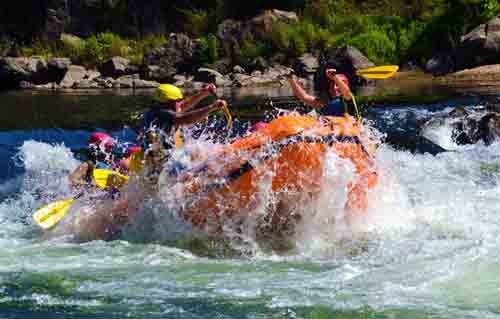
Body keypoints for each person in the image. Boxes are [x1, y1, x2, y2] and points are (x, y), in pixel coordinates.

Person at [141, 83, 228, 178]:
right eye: (178, 101)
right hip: (162, 164)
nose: (180, 103)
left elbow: (181, 107)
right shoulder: (163, 114)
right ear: (169, 102)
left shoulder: (157, 111)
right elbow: (184, 119)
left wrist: (204, 93)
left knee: (196, 149)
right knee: (194, 152)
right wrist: (211, 107)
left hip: (158, 157)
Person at [287, 68, 360, 118]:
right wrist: (290, 79)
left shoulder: (349, 98)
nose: (335, 87)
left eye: (338, 85)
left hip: (350, 133)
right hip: (332, 135)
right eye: (333, 85)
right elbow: (304, 97)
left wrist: (334, 77)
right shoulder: (325, 103)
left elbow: (346, 91)